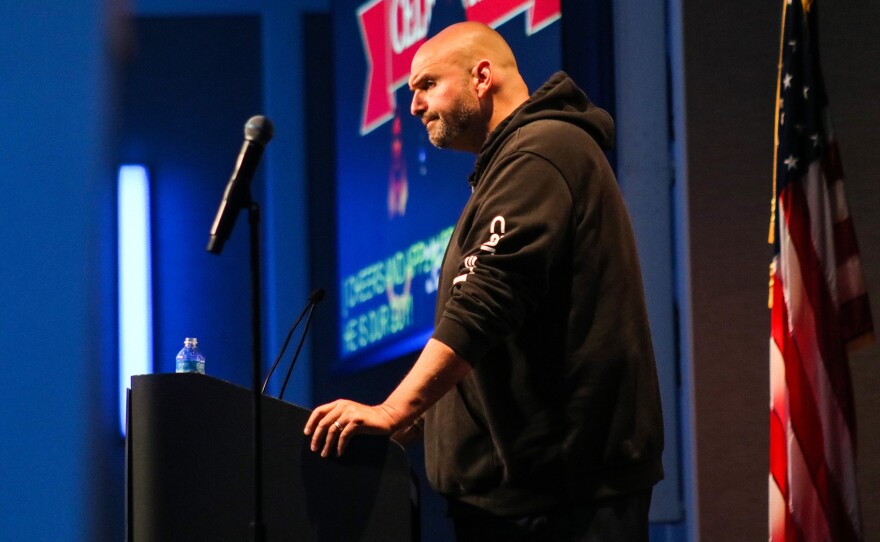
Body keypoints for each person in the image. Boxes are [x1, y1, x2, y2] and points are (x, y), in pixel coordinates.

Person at [304, 21, 664, 541]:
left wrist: (392, 409)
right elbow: (509, 334)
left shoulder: (543, 153)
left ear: (481, 76)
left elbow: (485, 301)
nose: (413, 106)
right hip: (522, 501)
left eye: (427, 85)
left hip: (559, 503)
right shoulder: (515, 164)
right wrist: (420, 421)